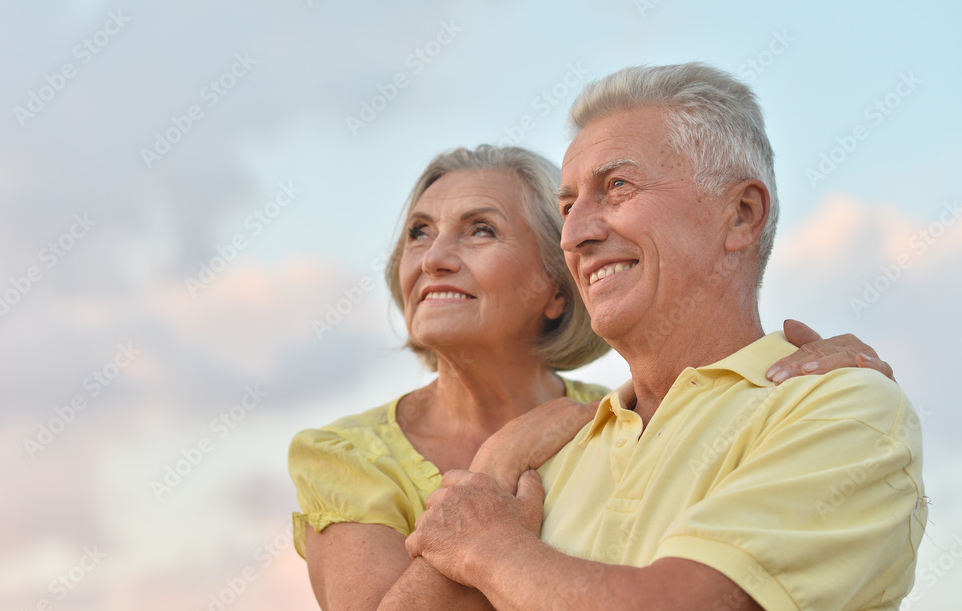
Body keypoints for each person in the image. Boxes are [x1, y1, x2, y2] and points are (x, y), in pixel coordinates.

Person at [405, 63, 927, 610]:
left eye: (617, 187)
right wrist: (490, 470)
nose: (575, 235)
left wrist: (491, 552)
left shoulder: (842, 408)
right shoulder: (546, 450)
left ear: (742, 215)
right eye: (566, 208)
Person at [289, 143, 894, 609]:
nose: (433, 257)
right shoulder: (344, 456)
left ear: (558, 284)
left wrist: (833, 387)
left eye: (481, 229)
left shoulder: (627, 418)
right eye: (419, 232)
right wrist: (495, 472)